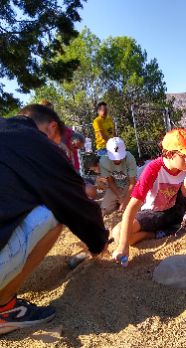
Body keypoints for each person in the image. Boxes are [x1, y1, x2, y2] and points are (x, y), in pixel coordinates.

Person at [0, 104, 109, 334]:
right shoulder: (38, 143)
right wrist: (98, 243)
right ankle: (5, 309)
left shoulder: (6, 132)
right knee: (54, 211)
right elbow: (74, 203)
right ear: (51, 128)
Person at [112, 128, 186, 262]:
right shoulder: (153, 169)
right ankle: (159, 233)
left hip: (179, 212)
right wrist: (123, 246)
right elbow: (131, 208)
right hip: (153, 214)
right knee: (118, 233)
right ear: (171, 154)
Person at [98, 137, 137, 215]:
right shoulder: (103, 161)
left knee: (135, 208)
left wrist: (125, 201)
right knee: (104, 210)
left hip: (128, 186)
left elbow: (133, 183)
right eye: (114, 157)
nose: (117, 160)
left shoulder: (130, 158)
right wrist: (120, 197)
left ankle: (120, 204)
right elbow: (110, 181)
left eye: (119, 157)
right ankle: (117, 204)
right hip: (114, 187)